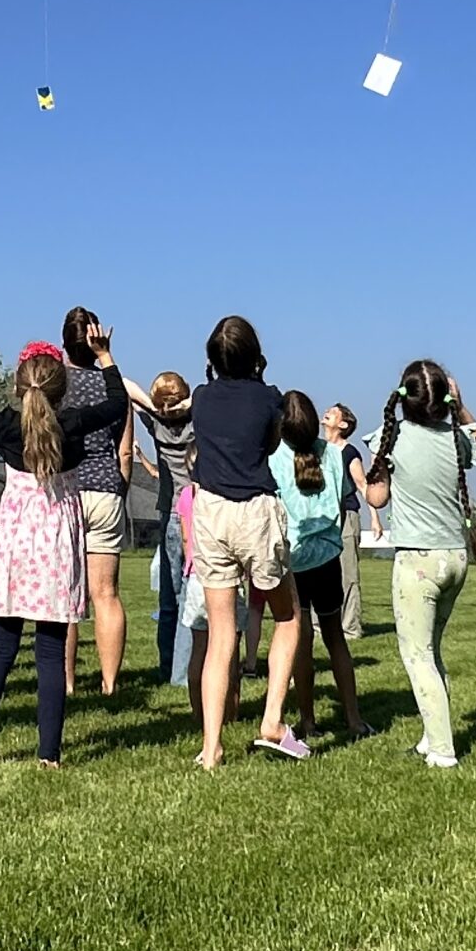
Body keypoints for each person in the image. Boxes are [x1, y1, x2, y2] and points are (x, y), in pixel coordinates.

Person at [0, 314, 130, 767]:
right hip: (59, 546)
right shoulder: (76, 422)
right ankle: (49, 755)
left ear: (17, 387)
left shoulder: (6, 425)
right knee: (49, 650)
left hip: (17, 547)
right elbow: (118, 405)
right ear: (61, 388)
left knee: (2, 647)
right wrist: (105, 357)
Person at [187, 314, 307, 767]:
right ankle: (272, 721)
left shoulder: (200, 398)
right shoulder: (269, 398)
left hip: (211, 510)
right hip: (256, 510)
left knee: (221, 634)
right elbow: (273, 444)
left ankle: (211, 746)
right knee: (288, 615)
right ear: (254, 354)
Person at [365, 359, 476, 766]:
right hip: (455, 558)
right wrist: (463, 406)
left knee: (417, 657)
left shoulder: (392, 436)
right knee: (432, 652)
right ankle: (430, 735)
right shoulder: (456, 437)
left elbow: (376, 499)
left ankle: (442, 749)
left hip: (417, 562)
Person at [268, 391, 370, 744]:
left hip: (293, 560)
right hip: (327, 557)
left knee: (301, 641)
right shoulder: (335, 455)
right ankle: (354, 718)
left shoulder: (274, 456)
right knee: (336, 638)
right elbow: (342, 502)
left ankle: (307, 720)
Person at [58, 306, 145, 698]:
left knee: (67, 594)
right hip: (107, 489)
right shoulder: (116, 389)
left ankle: (68, 681)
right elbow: (125, 451)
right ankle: (110, 683)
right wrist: (119, 487)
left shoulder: (56, 385)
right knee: (106, 593)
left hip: (69, 489)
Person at [143, 371, 198, 685]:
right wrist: (186, 402)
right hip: (193, 511)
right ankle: (183, 671)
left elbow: (130, 390)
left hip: (169, 512)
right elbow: (204, 397)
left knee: (168, 596)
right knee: (191, 595)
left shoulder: (156, 425)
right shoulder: (197, 424)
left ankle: (167, 667)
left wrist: (157, 408)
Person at [325, 405, 370, 638]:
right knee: (318, 572)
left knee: (348, 573)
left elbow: (362, 485)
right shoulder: (318, 450)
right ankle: (317, 625)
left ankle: (350, 627)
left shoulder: (349, 452)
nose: (326, 413)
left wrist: (375, 518)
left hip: (347, 516)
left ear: (343, 424)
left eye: (332, 412)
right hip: (322, 519)